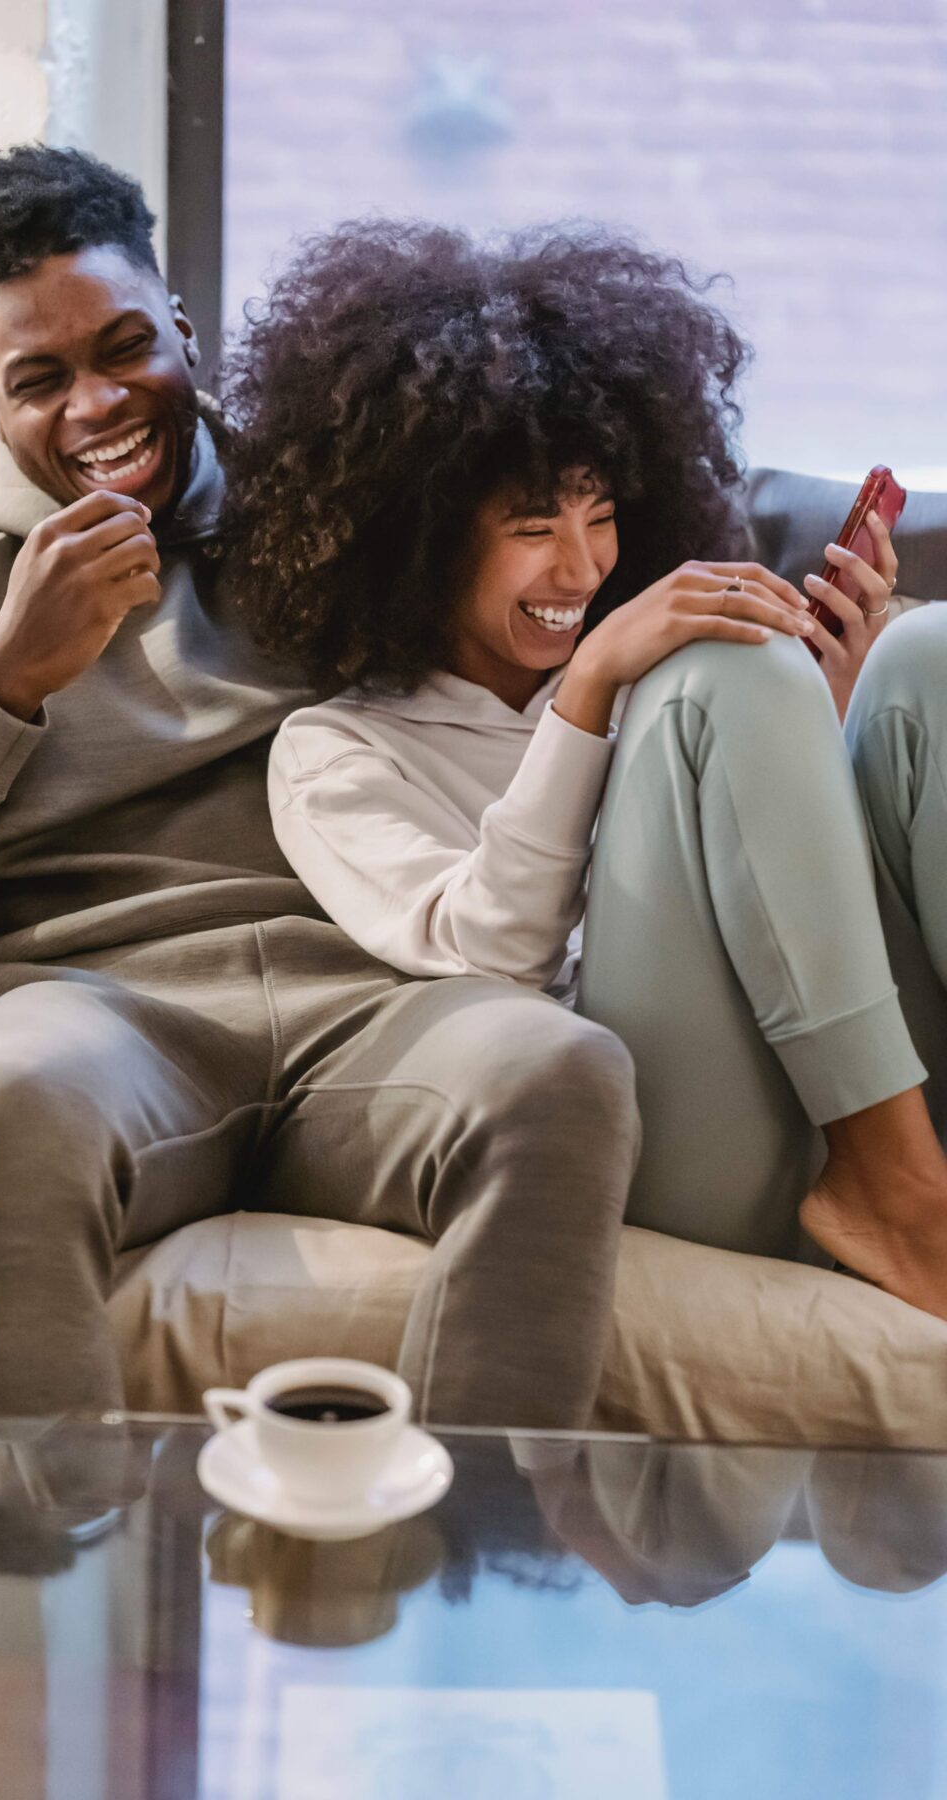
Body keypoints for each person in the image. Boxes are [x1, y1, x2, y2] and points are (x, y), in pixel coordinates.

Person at [0, 149, 641, 1441]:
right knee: (7, 1096)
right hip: (98, 1016)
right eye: (40, 381)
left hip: (378, 1002)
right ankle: (45, 1606)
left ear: (181, 325)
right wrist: (3, 682)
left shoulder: (337, 497)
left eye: (124, 349)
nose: (98, 404)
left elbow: (565, 545)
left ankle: (468, 1585)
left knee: (566, 1070)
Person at [224, 218, 947, 1320]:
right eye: (530, 526)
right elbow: (492, 955)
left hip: (844, 1066)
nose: (581, 565)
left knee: (924, 654)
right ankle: (896, 1191)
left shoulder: (676, 693)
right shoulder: (337, 751)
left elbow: (793, 913)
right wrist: (589, 691)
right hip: (675, 1131)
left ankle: (897, 1165)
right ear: (417, 532)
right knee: (726, 674)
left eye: (601, 516)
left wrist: (828, 720)